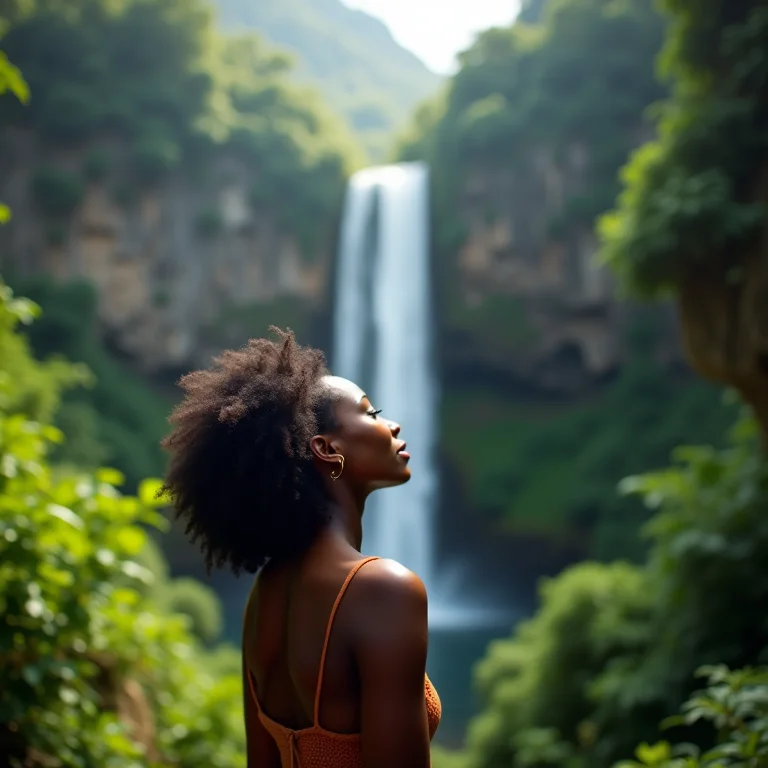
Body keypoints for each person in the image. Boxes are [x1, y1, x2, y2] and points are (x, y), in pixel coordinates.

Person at [160, 329, 441, 768]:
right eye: (373, 413)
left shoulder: (266, 594)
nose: (393, 425)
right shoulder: (385, 590)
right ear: (327, 450)